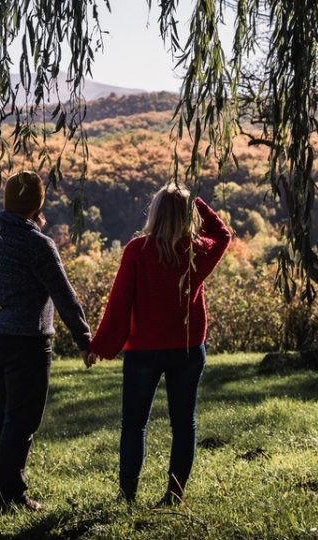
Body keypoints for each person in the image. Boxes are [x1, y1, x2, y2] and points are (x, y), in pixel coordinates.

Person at [87, 185, 232, 505]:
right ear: (186, 217)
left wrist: (100, 345)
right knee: (183, 424)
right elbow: (223, 235)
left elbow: (120, 302)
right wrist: (196, 202)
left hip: (143, 352)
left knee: (134, 424)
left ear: (154, 213)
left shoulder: (137, 250)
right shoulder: (197, 250)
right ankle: (174, 494)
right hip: (187, 349)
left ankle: (127, 496)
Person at [0, 171, 93, 511]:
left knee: (5, 412)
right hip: (28, 342)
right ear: (37, 204)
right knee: (21, 419)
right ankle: (13, 493)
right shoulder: (38, 244)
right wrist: (84, 337)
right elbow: (64, 295)